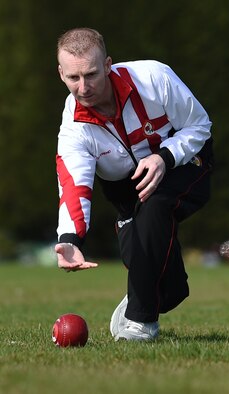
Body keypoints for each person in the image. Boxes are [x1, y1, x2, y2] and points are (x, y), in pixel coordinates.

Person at [54, 28, 213, 341]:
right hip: (127, 189)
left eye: (91, 74)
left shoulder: (154, 78)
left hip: (183, 162)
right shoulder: (73, 128)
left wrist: (164, 157)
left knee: (156, 205)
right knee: (169, 289)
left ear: (109, 64)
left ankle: (141, 322)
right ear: (61, 73)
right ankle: (142, 299)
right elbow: (74, 183)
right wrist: (71, 238)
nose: (83, 87)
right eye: (73, 78)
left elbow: (199, 125)